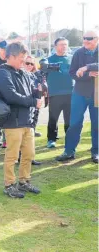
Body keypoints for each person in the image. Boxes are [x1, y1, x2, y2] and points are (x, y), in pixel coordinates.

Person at [0, 42, 42, 199]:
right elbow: (11, 96)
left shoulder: (22, 72)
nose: (23, 62)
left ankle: (24, 181)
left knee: (29, 154)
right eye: (21, 59)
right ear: (11, 56)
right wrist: (33, 102)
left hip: (27, 121)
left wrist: (39, 90)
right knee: (12, 156)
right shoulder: (2, 73)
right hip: (12, 122)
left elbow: (30, 91)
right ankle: (9, 184)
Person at [56, 30, 99, 164]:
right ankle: (69, 151)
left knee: (97, 124)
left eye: (89, 38)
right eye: (84, 38)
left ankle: (96, 152)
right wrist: (88, 74)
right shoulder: (78, 52)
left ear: (97, 39)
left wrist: (86, 67)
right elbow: (72, 73)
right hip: (79, 93)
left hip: (97, 94)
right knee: (74, 123)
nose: (85, 41)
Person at [46, 37, 74, 149]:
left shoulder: (72, 59)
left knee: (69, 118)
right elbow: (43, 75)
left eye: (66, 44)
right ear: (55, 46)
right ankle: (51, 139)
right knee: (53, 118)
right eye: (61, 44)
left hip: (70, 93)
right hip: (54, 94)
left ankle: (69, 138)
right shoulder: (48, 60)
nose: (64, 47)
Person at [21, 56, 43, 166]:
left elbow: (39, 92)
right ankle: (21, 156)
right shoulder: (19, 76)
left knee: (31, 132)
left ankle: (29, 157)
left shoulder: (35, 76)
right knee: (22, 134)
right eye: (27, 63)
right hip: (23, 109)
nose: (29, 66)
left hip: (34, 108)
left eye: (32, 64)